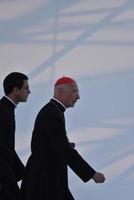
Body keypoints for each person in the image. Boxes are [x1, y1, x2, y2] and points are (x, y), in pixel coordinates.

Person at [20, 76, 105, 200]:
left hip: (47, 177)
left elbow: (52, 144)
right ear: (60, 92)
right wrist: (91, 174)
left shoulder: (53, 111)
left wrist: (65, 144)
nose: (78, 96)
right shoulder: (52, 114)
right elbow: (65, 151)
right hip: (44, 181)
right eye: (74, 91)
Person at [0, 72, 31, 200]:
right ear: (16, 90)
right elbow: (2, 150)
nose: (29, 91)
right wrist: (10, 182)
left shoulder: (6, 109)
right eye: (26, 88)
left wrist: (23, 172)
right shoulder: (3, 111)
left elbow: (8, 148)